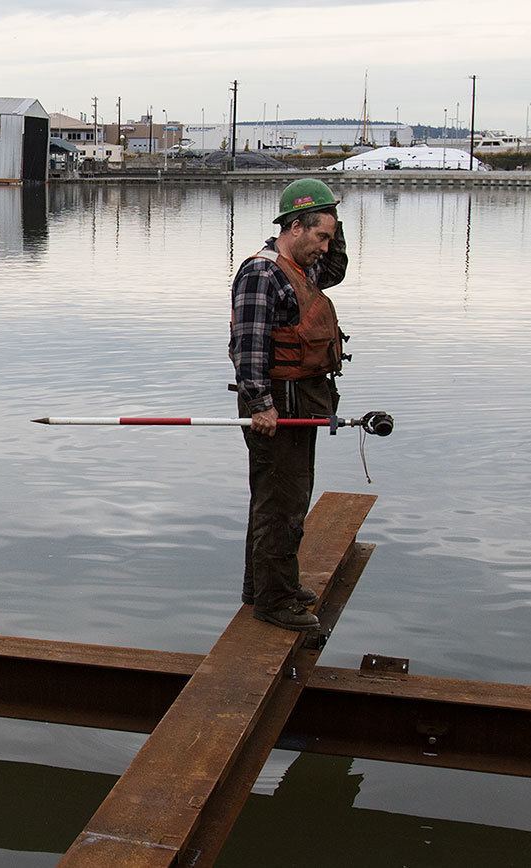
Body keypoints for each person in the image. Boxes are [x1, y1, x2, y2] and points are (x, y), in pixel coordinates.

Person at [230, 178, 348, 631]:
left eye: (330, 238)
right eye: (320, 236)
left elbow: (335, 270)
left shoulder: (302, 269)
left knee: (282, 498)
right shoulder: (263, 273)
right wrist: (261, 405)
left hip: (300, 402)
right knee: (279, 504)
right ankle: (274, 601)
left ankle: (263, 585)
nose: (325, 247)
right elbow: (249, 344)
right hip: (275, 407)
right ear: (295, 227)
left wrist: (333, 213)